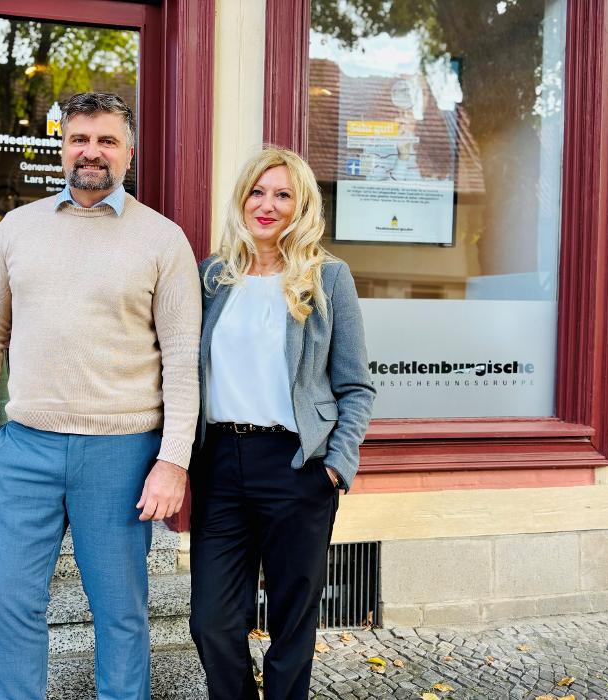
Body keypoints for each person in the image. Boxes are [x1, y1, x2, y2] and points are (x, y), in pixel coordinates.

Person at [0, 92, 201, 700]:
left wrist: (173, 459)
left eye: (107, 141)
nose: (91, 152)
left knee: (120, 611)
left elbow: (182, 358)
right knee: (11, 602)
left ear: (129, 152)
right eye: (79, 139)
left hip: (122, 453)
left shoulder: (163, 239)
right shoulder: (17, 228)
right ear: (63, 146)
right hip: (22, 450)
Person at [188, 147, 375, 700]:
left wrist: (336, 465)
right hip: (220, 464)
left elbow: (356, 386)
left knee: (293, 622)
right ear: (242, 199)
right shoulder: (212, 276)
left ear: (302, 206)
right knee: (212, 621)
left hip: (298, 465)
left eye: (282, 194)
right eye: (257, 192)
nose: (267, 205)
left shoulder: (328, 278)